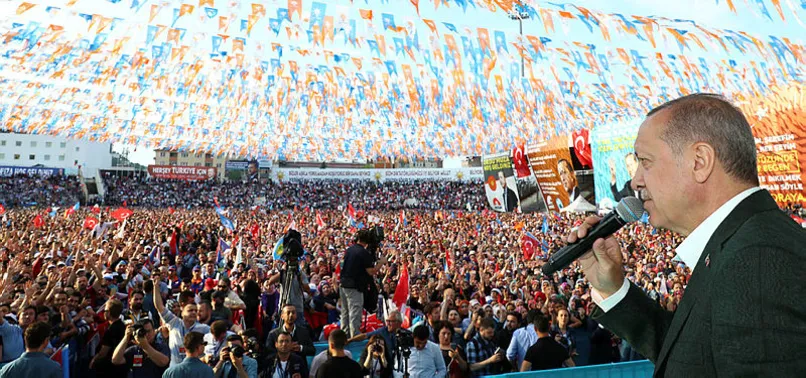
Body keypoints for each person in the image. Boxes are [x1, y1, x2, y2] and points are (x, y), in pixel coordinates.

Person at [568, 93, 806, 376]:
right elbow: (695, 357)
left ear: (699, 161)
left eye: (646, 161)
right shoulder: (741, 244)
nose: (635, 181)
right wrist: (614, 289)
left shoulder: (756, 261)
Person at [153, 274, 211, 366]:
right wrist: (156, 287)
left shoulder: (204, 329)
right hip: (176, 369)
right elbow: (159, 306)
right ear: (182, 310)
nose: (193, 313)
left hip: (194, 370)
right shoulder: (174, 322)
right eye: (190, 310)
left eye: (195, 311)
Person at [339, 230, 385, 338]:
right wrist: (381, 263)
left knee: (345, 313)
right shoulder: (363, 253)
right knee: (355, 312)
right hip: (354, 287)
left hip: (344, 285)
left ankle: (344, 335)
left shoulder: (350, 250)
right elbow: (371, 271)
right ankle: (354, 335)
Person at [263, 304, 315, 371]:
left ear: (296, 315)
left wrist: (300, 348)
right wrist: (284, 349)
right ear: (282, 316)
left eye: (293, 313)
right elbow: (268, 353)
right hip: (279, 369)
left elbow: (312, 350)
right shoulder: (273, 334)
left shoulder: (303, 332)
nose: (291, 315)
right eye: (288, 313)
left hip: (299, 370)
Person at [90, 298, 128, 377]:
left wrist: (94, 360)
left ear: (109, 313)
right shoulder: (123, 326)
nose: (104, 313)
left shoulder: (111, 330)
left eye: (105, 311)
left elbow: (104, 351)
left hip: (110, 368)